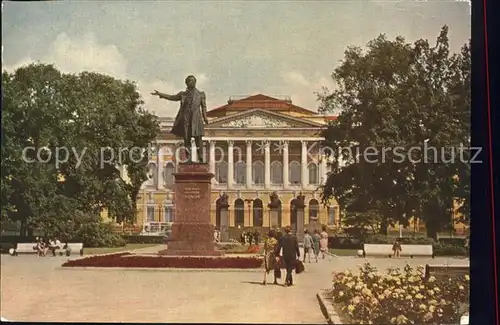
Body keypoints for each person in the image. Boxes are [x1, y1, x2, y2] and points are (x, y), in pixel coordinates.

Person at [151, 75, 209, 163]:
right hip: (185, 119)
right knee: (187, 139)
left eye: (193, 81)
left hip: (196, 119)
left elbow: (204, 107)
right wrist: (160, 94)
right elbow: (172, 97)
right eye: (190, 81)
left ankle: (201, 158)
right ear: (187, 83)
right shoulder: (183, 94)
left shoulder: (201, 94)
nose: (192, 82)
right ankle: (188, 158)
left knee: (198, 139)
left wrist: (205, 118)